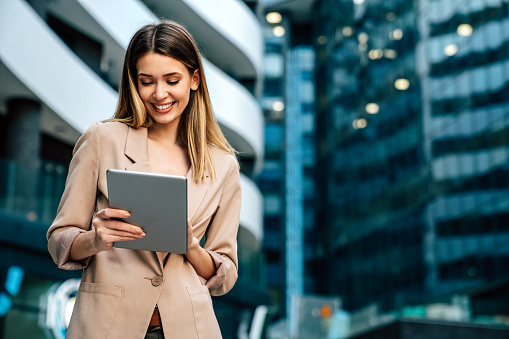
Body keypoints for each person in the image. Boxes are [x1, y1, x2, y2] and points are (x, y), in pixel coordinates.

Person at [46, 21, 241, 339]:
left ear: (194, 79)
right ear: (133, 84)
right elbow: (59, 240)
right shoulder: (102, 139)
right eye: (146, 81)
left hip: (190, 327)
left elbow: (225, 274)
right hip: (107, 325)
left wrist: (191, 247)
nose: (159, 94)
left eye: (172, 80)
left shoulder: (224, 165)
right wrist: (95, 239)